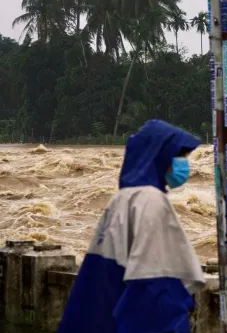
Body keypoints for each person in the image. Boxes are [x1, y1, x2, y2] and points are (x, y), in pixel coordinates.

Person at [57, 119, 206, 333]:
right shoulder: (150, 201)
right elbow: (154, 285)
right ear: (161, 155)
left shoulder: (121, 199)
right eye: (179, 155)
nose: (184, 163)